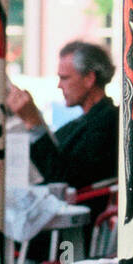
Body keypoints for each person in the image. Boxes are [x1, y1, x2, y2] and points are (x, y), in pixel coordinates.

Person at [7, 40, 118, 190]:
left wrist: (33, 123)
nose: (59, 85)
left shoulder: (109, 124)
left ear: (89, 79)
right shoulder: (84, 122)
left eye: (65, 78)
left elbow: (64, 181)